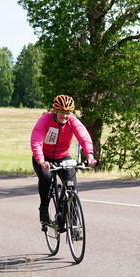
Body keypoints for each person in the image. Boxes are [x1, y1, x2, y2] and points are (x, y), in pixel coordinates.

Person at [30, 95, 97, 225]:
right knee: (46, 177)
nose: (65, 116)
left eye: (68, 113)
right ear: (55, 111)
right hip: (44, 158)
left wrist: (90, 156)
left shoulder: (72, 121)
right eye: (62, 113)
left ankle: (74, 225)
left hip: (63, 156)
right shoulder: (45, 120)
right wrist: (41, 160)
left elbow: (83, 136)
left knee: (72, 187)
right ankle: (44, 207)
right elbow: (36, 141)